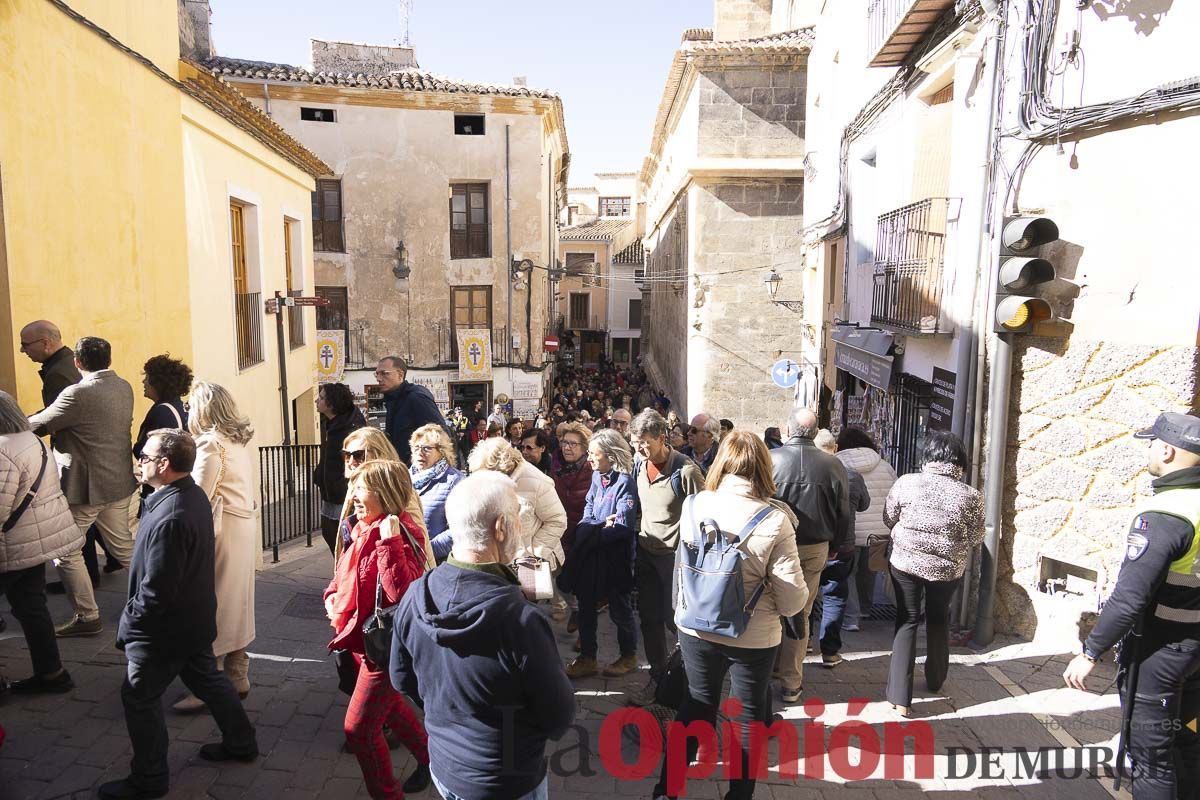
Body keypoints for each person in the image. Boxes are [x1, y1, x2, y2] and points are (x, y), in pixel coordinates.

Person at [390, 472, 575, 800]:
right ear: (501, 526)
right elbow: (558, 717)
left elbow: (401, 678)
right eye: (518, 516)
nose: (521, 524)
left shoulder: (416, 594)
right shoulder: (521, 621)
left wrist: (449, 710)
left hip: (446, 766)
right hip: (506, 780)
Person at [102, 429, 257, 800]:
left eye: (145, 456)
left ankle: (149, 779)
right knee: (209, 680)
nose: (139, 460)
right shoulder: (189, 495)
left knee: (139, 697)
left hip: (164, 632)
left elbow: (156, 592)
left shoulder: (172, 515)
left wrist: (130, 626)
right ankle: (241, 742)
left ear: (164, 464)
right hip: (194, 621)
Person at [652, 431, 807, 800]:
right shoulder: (774, 519)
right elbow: (790, 599)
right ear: (763, 469)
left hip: (696, 625)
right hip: (753, 634)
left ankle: (666, 791)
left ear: (722, 463)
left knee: (696, 703)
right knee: (747, 716)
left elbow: (682, 566)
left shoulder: (694, 505)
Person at [1063, 411, 1200, 799]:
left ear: (1169, 452)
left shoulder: (1165, 515)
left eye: (1154, 442)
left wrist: (1091, 651)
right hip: (1194, 652)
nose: (1151, 449)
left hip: (1159, 655)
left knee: (1151, 759)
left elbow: (1129, 598)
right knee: (1188, 744)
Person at [325, 460, 432, 799]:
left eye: (363, 487)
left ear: (385, 492)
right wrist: (331, 597)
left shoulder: (404, 533)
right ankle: (431, 759)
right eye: (354, 486)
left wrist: (389, 544)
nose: (354, 494)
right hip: (361, 640)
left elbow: (403, 594)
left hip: (386, 647)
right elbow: (344, 574)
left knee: (359, 730)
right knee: (391, 708)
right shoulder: (360, 526)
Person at [29, 336, 136, 638]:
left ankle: (87, 616)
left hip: (87, 488)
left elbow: (38, 424)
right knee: (125, 548)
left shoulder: (77, 394)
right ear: (109, 359)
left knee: (65, 551)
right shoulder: (123, 386)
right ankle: (165, 599)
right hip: (118, 482)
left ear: (77, 362)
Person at [170, 382, 259, 712]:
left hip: (223, 532)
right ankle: (237, 676)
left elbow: (197, 494)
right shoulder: (235, 441)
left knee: (215, 604)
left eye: (191, 406)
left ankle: (210, 683)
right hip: (241, 527)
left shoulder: (210, 443)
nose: (188, 411)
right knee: (236, 602)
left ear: (204, 409)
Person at [883, 431, 984, 717]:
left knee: (907, 620)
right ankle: (936, 678)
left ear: (927, 456)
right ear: (960, 461)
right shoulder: (971, 496)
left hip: (906, 563)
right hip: (947, 568)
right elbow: (976, 537)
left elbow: (889, 517)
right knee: (939, 618)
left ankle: (900, 697)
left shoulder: (906, 483)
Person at [0, 391, 81, 695]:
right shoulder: (30, 440)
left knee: (30, 608)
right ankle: (52, 673)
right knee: (32, 609)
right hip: (35, 542)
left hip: (13, 545)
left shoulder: (3, 450)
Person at [770, 408, 852, 704]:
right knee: (800, 611)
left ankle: (772, 669)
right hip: (815, 546)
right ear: (816, 433)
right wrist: (837, 544)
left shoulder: (771, 459)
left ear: (787, 429)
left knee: (772, 608)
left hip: (776, 543)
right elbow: (844, 511)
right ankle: (791, 681)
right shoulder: (833, 464)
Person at [628, 409, 704, 706]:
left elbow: (704, 514)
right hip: (647, 552)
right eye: (635, 443)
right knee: (649, 618)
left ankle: (688, 679)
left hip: (676, 559)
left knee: (676, 621)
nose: (639, 449)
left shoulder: (686, 471)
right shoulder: (638, 463)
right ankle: (658, 677)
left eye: (644, 443)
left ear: (662, 438)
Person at [559, 430, 640, 679]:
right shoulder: (596, 477)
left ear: (610, 455)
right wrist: (597, 526)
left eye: (595, 454)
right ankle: (587, 658)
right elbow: (589, 511)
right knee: (585, 607)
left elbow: (622, 526)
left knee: (620, 609)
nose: (591, 459)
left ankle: (628, 656)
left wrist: (593, 530)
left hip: (615, 558)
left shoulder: (625, 483)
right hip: (591, 555)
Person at [810, 430, 869, 667]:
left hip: (811, 542)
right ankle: (830, 651)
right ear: (834, 448)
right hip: (843, 544)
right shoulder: (852, 475)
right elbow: (864, 504)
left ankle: (803, 644)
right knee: (834, 596)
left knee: (805, 595)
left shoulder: (806, 472)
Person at [468, 439, 568, 571]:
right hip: (505, 563)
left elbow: (557, 521)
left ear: (501, 469)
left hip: (535, 564)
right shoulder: (492, 481)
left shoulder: (538, 482)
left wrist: (533, 556)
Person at [835, 427, 897, 630]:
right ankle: (865, 607)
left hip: (849, 529)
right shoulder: (885, 466)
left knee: (848, 573)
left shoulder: (837, 465)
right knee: (869, 570)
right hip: (878, 530)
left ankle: (851, 617)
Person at [314, 383, 367, 555]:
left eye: (321, 398)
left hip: (342, 494)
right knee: (330, 533)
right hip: (331, 492)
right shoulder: (333, 424)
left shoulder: (349, 429)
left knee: (343, 540)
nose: (317, 400)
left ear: (331, 404)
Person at [551, 422, 593, 632]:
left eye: (573, 444)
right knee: (562, 580)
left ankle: (585, 638)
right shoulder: (556, 465)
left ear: (585, 447)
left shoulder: (592, 469)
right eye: (564, 442)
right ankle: (575, 610)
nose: (567, 447)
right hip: (560, 532)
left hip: (584, 535)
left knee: (584, 586)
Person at [409, 423, 464, 563]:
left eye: (426, 448)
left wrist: (427, 550)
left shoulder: (455, 481)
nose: (419, 453)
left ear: (442, 451)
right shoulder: (404, 478)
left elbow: (459, 530)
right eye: (416, 448)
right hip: (405, 561)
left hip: (436, 563)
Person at [375, 356, 443, 466]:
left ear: (400, 375)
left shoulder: (416, 397)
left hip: (418, 470)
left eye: (384, 373)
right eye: (377, 374)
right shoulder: (393, 399)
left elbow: (440, 434)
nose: (378, 378)